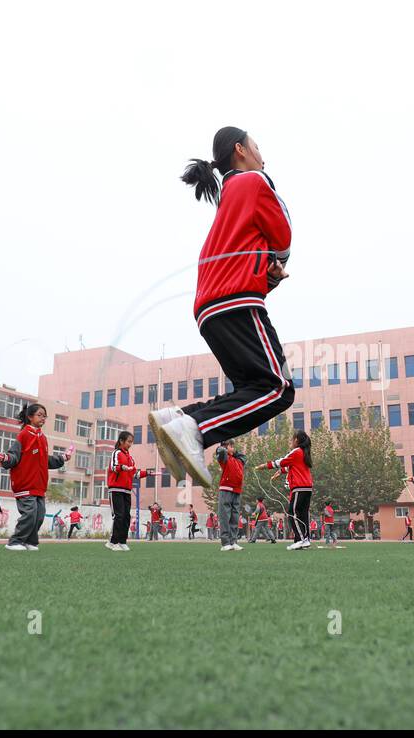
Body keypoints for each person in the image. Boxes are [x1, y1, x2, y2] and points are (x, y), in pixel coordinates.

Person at [153, 128, 295, 487]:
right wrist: (276, 259)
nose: (263, 155)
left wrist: (267, 275)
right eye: (258, 147)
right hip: (234, 301)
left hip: (211, 306)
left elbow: (247, 256)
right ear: (240, 150)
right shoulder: (253, 181)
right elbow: (283, 234)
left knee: (250, 387)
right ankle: (196, 429)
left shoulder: (230, 196)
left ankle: (180, 417)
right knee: (277, 389)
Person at [0, 402, 70, 552]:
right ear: (30, 417)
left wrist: (62, 458)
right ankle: (14, 541)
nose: (43, 418)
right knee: (29, 514)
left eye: (44, 416)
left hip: (39, 485)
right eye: (40, 415)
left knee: (39, 515)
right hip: (25, 484)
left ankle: (30, 541)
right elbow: (13, 457)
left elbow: (45, 460)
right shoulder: (23, 435)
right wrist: (5, 458)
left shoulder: (43, 438)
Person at [257, 430, 314, 550]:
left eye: (292, 439)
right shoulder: (304, 453)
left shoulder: (297, 451)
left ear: (296, 440)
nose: (291, 442)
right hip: (307, 488)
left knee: (293, 513)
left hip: (299, 487)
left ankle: (300, 539)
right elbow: (291, 466)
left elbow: (282, 461)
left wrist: (265, 466)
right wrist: (281, 472)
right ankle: (306, 540)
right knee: (302, 514)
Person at [106, 430, 152, 552]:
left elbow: (134, 474)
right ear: (121, 441)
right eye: (129, 441)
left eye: (131, 442)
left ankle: (122, 541)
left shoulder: (130, 458)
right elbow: (114, 467)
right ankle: (112, 542)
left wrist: (146, 473)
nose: (130, 444)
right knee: (119, 516)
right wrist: (121, 467)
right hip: (116, 489)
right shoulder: (116, 453)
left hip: (126, 490)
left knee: (126, 516)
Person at [215, 439, 246, 551]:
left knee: (235, 517)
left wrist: (233, 450)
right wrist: (224, 445)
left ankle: (233, 541)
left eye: (234, 446)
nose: (233, 448)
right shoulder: (224, 458)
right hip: (226, 489)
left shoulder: (238, 460)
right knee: (225, 516)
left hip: (237, 491)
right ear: (225, 447)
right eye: (231, 446)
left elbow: (243, 457)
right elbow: (220, 451)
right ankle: (225, 543)